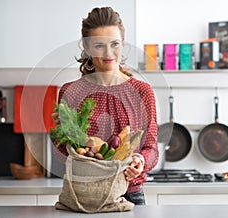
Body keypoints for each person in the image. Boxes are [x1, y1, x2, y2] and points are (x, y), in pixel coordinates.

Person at [52, 6, 158, 205]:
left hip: (130, 194)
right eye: (99, 45)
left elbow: (151, 149)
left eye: (115, 44)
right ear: (87, 47)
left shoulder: (142, 92)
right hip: (86, 193)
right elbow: (64, 151)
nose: (109, 53)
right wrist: (65, 132)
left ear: (123, 44)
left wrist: (140, 162)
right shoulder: (71, 92)